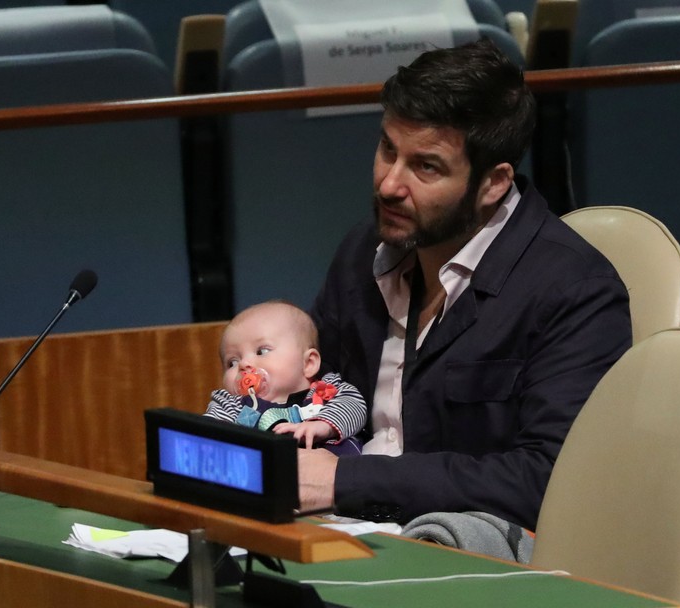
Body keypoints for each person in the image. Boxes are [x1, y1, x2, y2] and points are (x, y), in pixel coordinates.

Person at [298, 38, 632, 531]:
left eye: (425, 166)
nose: (390, 183)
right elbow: (317, 394)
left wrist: (350, 480)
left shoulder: (575, 291)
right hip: (335, 530)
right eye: (388, 149)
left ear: (493, 184)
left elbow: (548, 480)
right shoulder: (360, 255)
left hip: (463, 556)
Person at [204, 300, 366, 454]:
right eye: (232, 362)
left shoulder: (326, 391)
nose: (244, 364)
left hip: (336, 476)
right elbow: (208, 435)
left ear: (308, 363)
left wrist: (323, 425)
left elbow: (356, 407)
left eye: (262, 351)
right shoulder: (232, 406)